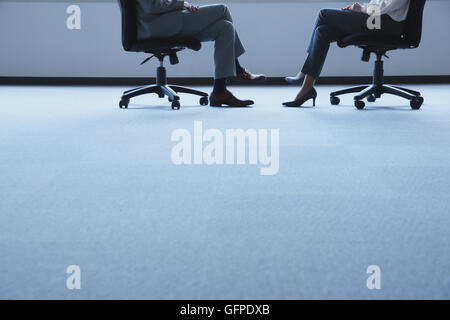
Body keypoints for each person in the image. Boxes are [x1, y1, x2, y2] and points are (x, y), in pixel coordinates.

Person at [135, 0, 266, 107]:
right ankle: (237, 69)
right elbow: (151, 6)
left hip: (163, 22)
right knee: (222, 9)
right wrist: (181, 4)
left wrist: (180, 6)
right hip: (157, 26)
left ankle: (219, 91)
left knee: (225, 28)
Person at [283, 0, 410, 108]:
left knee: (324, 14)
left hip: (386, 25)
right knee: (323, 31)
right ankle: (307, 86)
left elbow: (390, 4)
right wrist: (359, 10)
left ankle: (303, 73)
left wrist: (361, 8)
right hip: (378, 20)